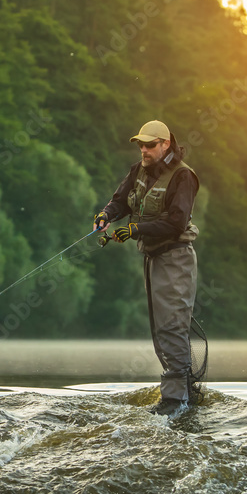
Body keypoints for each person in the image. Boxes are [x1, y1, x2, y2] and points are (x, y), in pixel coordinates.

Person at [93, 120, 200, 416]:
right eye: (141, 144)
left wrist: (135, 230)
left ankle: (177, 399)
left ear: (166, 144)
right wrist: (106, 215)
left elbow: (176, 222)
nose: (144, 149)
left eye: (150, 144)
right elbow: (121, 200)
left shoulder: (183, 177)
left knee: (172, 325)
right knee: (159, 328)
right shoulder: (138, 170)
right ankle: (179, 394)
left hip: (175, 258)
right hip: (152, 258)